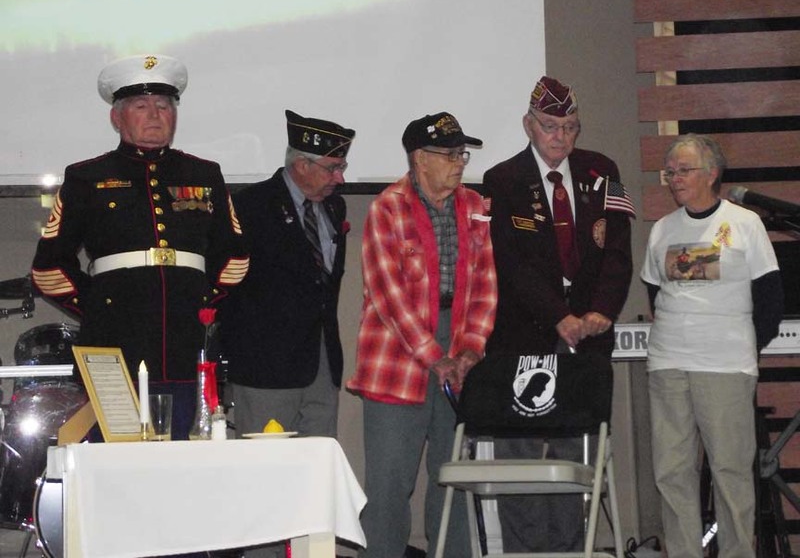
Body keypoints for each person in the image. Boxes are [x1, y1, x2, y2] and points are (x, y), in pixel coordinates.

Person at [31, 54, 249, 440]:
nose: (155, 115)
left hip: (188, 343)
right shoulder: (86, 177)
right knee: (116, 462)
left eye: (164, 106)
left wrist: (205, 303)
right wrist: (99, 307)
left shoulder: (204, 174)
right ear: (117, 118)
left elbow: (235, 256)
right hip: (115, 345)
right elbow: (49, 268)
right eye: (141, 106)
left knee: (187, 459)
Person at [482, 76, 634, 552]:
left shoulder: (601, 171)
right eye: (550, 126)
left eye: (570, 128)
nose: (560, 138)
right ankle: (526, 552)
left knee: (575, 452)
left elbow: (618, 254)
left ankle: (570, 550)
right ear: (529, 125)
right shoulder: (502, 179)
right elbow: (510, 263)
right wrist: (557, 317)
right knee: (522, 454)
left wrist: (600, 312)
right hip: (525, 334)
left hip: (586, 337)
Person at [347, 112, 497, 558]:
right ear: (419, 159)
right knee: (390, 487)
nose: (459, 163)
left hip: (458, 349)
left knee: (452, 479)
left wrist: (471, 349)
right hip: (398, 357)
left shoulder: (474, 206)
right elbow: (388, 295)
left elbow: (486, 283)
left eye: (461, 154)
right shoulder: (386, 207)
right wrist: (435, 356)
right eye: (449, 154)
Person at [641, 133, 783, 558]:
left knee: (730, 471)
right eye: (670, 172)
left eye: (684, 170)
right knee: (672, 471)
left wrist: (741, 346)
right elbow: (653, 292)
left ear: (712, 173)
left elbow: (770, 298)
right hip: (668, 363)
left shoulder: (745, 223)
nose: (675, 179)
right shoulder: (663, 229)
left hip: (725, 365)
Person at [221, 109, 355, 441]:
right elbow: (227, 287)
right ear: (301, 165)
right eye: (332, 168)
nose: (339, 178)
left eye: (341, 167)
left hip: (322, 363)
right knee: (265, 472)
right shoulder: (250, 206)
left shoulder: (334, 208)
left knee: (318, 467)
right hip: (266, 368)